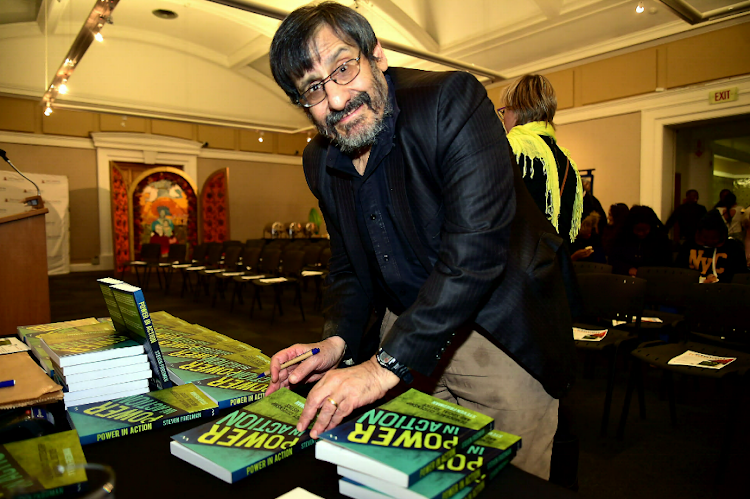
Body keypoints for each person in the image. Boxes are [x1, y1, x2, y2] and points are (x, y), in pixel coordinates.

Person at [265, 2, 577, 480]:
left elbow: (475, 253)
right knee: (411, 478)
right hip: (404, 325)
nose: (336, 100)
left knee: (507, 483)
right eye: (312, 88)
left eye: (344, 68)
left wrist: (380, 367)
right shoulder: (318, 161)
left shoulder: (452, 100)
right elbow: (349, 265)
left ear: (377, 56)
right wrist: (337, 339)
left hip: (496, 329)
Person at [502, 74, 583, 244]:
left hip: (513, 262)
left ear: (517, 109)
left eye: (504, 110)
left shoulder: (508, 148)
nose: (503, 118)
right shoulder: (568, 162)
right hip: (553, 266)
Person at [676, 210, 747, 283]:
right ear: (699, 234)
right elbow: (678, 272)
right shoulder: (688, 245)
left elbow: (741, 276)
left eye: (714, 238)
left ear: (722, 235)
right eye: (705, 237)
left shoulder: (733, 248)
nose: (709, 241)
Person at [609, 205, 672, 276]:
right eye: (637, 230)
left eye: (644, 230)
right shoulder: (622, 237)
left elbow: (666, 265)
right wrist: (627, 269)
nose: (641, 233)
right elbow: (613, 259)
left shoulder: (661, 240)